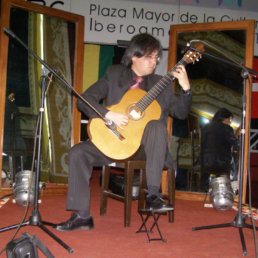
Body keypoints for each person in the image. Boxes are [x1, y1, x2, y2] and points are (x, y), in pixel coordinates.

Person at [53, 33, 192, 232]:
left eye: (156, 58)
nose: (154, 62)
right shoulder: (114, 74)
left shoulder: (161, 83)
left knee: (156, 126)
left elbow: (181, 112)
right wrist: (108, 115)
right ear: (134, 56)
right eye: (149, 57)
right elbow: (84, 99)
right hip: (116, 141)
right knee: (78, 152)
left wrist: (186, 89)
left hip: (146, 149)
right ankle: (82, 216)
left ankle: (153, 195)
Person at [200, 108, 240, 190]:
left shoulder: (206, 127)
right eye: (229, 119)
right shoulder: (227, 129)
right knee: (236, 160)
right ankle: (228, 187)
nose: (230, 121)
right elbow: (236, 144)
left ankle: (203, 187)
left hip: (205, 162)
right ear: (224, 118)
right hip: (221, 163)